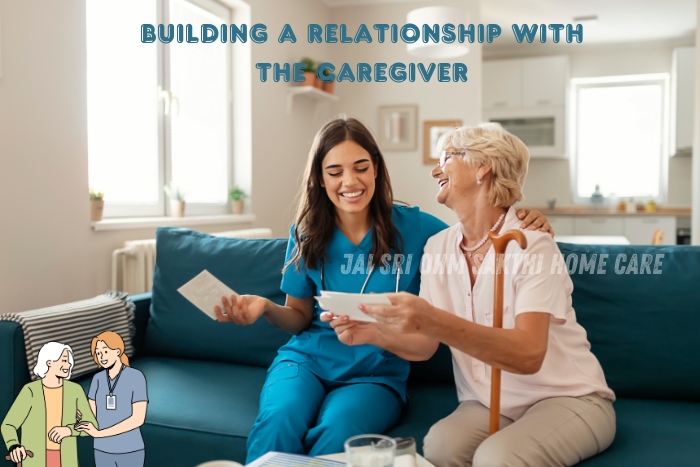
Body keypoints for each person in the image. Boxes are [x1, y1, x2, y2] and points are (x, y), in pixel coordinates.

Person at [214, 116, 551, 462]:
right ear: (319, 178)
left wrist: (523, 217)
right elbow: (299, 317)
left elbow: (480, 227)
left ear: (376, 168)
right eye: (335, 172)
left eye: (361, 167)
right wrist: (266, 308)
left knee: (338, 432)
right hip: (306, 361)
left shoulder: (418, 229)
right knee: (278, 422)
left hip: (375, 373)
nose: (350, 181)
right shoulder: (306, 232)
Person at [327, 122, 616, 467]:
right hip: (489, 402)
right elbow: (425, 344)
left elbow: (528, 355)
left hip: (567, 397)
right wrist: (373, 333)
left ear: (483, 167)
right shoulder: (438, 248)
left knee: (497, 458)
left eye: (446, 157)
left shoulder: (531, 244)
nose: (436, 169)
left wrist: (434, 319)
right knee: (440, 448)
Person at [1, 342, 97, 467]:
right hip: (34, 459)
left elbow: (91, 425)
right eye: (63, 360)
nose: (68, 365)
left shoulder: (75, 390)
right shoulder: (30, 391)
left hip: (66, 459)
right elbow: (8, 425)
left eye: (68, 361)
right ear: (49, 362)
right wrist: (14, 445)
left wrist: (69, 430)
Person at [76, 331, 148, 467]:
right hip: (102, 450)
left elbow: (138, 418)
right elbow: (91, 414)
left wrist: (100, 433)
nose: (101, 356)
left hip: (130, 449)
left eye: (105, 351)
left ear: (117, 351)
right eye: (98, 353)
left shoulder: (136, 377)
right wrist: (78, 415)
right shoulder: (97, 379)